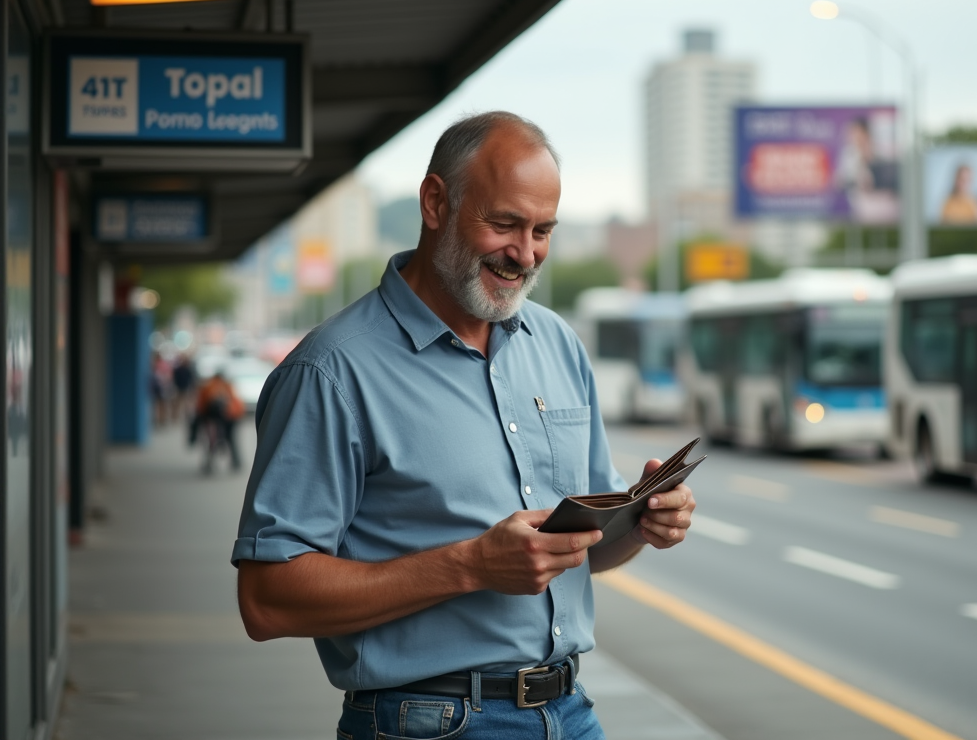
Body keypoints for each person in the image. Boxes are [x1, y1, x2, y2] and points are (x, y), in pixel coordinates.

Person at [232, 112, 697, 739]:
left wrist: (641, 524)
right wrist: (471, 565)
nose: (525, 254)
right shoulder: (330, 372)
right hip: (426, 723)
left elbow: (579, 551)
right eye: (503, 223)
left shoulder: (556, 343)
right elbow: (266, 600)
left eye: (543, 230)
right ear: (434, 203)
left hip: (571, 712)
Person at [192, 370, 244, 471]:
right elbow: (237, 405)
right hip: (229, 418)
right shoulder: (227, 386)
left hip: (218, 418)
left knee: (213, 441)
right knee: (230, 440)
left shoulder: (208, 386)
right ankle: (235, 462)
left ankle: (209, 464)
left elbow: (201, 406)